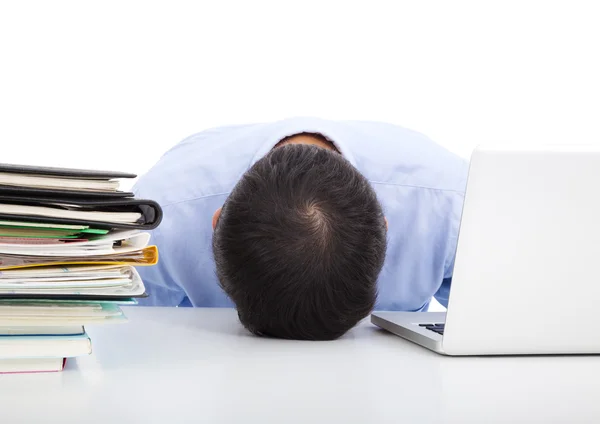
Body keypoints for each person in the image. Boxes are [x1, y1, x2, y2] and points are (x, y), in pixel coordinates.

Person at [133, 117, 469, 340]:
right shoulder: (152, 223)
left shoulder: (459, 205)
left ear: (384, 229)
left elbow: (504, 327)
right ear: (217, 223)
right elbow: (119, 335)